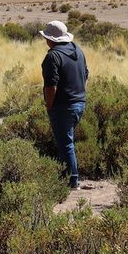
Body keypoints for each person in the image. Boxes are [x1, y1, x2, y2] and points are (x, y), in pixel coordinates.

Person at [40, 20, 89, 190]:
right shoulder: (77, 50)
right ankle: (65, 175)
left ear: (50, 39)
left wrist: (49, 105)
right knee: (67, 141)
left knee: (65, 143)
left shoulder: (53, 56)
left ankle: (72, 180)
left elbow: (50, 86)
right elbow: (86, 74)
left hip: (63, 106)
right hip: (79, 102)